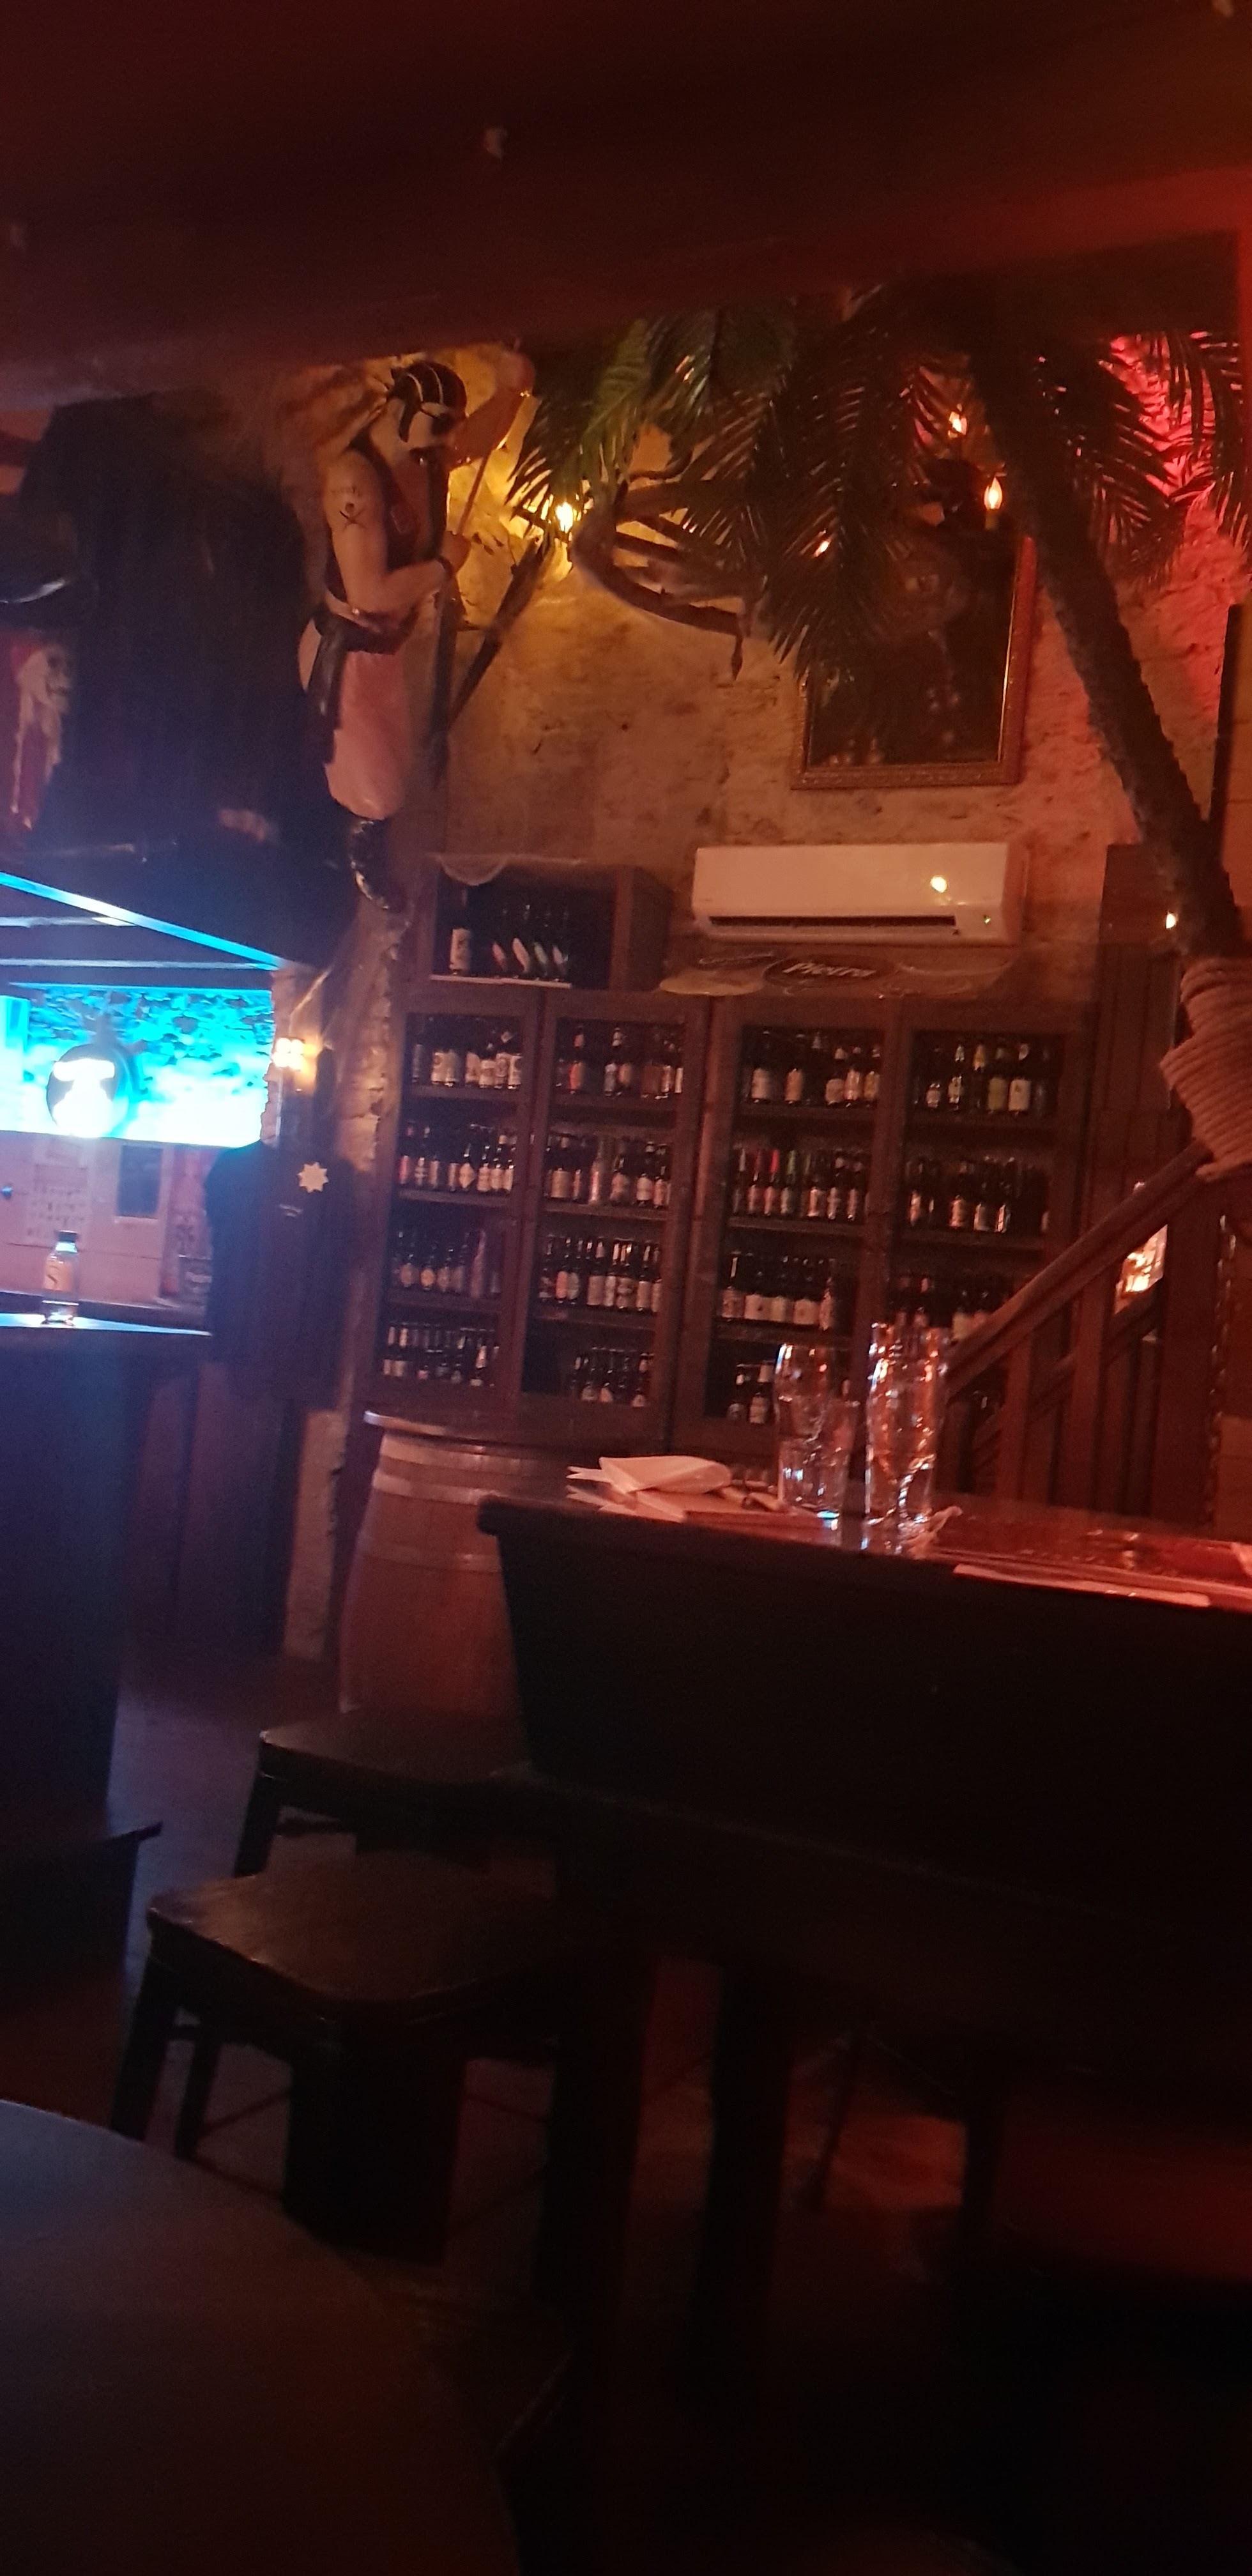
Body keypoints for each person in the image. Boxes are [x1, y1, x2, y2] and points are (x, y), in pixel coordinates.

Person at [300, 349, 533, 908]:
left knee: (394, 771)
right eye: (438, 424)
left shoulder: (424, 456)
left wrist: (510, 393)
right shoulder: (355, 481)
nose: (446, 440)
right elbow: (369, 592)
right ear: (400, 410)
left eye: (449, 426)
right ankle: (356, 854)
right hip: (347, 652)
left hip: (384, 651)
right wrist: (443, 566)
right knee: (377, 791)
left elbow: (474, 440)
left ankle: (362, 844)